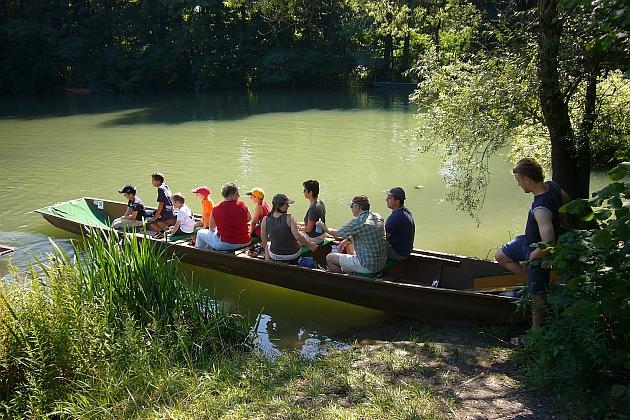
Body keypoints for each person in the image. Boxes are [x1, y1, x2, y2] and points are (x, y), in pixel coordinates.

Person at [495, 158, 568, 328]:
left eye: (518, 181)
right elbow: (565, 197)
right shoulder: (552, 186)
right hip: (527, 241)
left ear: (527, 180)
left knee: (538, 298)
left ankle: (536, 334)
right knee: (500, 255)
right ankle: (533, 281)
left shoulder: (541, 209)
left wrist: (531, 259)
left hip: (537, 251)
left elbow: (549, 243)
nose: (518, 185)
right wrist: (562, 218)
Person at [316, 195, 387, 275]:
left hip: (367, 266)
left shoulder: (358, 222)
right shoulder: (377, 216)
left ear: (357, 207)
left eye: (351, 206)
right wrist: (348, 239)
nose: (351, 209)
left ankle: (343, 279)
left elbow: (337, 234)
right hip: (381, 263)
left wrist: (323, 227)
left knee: (329, 258)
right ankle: (350, 270)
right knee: (350, 245)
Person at [195, 182, 252, 251]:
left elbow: (211, 227)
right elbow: (249, 219)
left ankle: (201, 254)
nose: (239, 196)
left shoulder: (216, 208)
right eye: (237, 194)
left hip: (226, 245)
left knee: (200, 233)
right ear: (231, 195)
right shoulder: (243, 204)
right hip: (245, 242)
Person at [260, 194, 318, 262]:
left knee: (269, 244)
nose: (288, 206)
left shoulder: (265, 219)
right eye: (286, 204)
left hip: (275, 255)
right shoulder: (289, 218)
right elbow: (298, 237)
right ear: (279, 206)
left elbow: (264, 238)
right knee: (301, 241)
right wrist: (310, 246)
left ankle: (267, 259)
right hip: (292, 254)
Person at [384, 187, 415, 260]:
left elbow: (384, 237)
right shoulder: (406, 211)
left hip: (397, 253)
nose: (386, 200)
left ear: (397, 201)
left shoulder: (396, 217)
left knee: (372, 242)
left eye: (389, 198)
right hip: (405, 251)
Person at [299, 179, 326, 244]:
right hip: (321, 235)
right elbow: (313, 222)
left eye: (305, 190)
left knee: (293, 233)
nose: (303, 192)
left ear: (310, 193)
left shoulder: (313, 208)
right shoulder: (320, 202)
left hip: (314, 238)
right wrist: (299, 224)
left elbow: (308, 229)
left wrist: (300, 229)